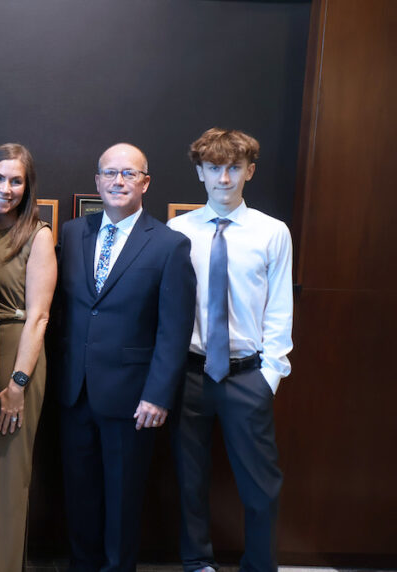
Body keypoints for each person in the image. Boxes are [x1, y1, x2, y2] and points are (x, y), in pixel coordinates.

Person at [56, 143, 196, 571]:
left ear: (145, 182)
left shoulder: (169, 245)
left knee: (122, 501)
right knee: (79, 498)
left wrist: (158, 395)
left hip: (133, 399)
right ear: (97, 181)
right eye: (110, 173)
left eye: (129, 174)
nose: (118, 181)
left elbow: (174, 331)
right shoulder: (72, 233)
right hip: (74, 392)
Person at [167, 128, 293, 572]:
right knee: (189, 479)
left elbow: (279, 307)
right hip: (190, 374)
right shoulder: (177, 232)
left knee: (261, 486)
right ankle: (197, 562)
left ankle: (259, 566)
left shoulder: (272, 233)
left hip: (246, 376)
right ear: (200, 172)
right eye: (215, 168)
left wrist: (270, 375)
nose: (225, 178)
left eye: (234, 168)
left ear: (249, 171)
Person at [0, 143, 57, 571]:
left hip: (16, 359)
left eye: (15, 180)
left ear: (27, 186)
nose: (5, 188)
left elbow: (39, 317)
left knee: (4, 476)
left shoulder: (38, 235)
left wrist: (18, 384)